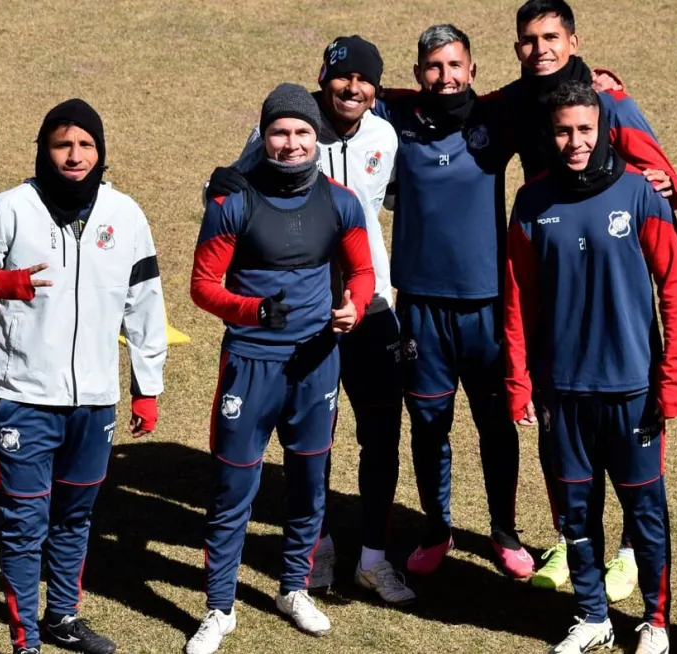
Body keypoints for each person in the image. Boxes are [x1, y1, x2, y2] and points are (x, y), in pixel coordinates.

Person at [0, 98, 167, 654]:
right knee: (24, 525)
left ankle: (63, 618)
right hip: (25, 399)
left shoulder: (126, 215)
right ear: (44, 148)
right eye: (63, 144)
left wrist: (147, 386)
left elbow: (145, 304)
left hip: (96, 400)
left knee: (75, 518)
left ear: (101, 151)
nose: (74, 155)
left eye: (86, 145)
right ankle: (26, 642)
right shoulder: (10, 208)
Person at [205, 35, 414, 605]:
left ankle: (374, 557)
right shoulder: (288, 131)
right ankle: (314, 553)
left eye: (365, 80)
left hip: (368, 311)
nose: (353, 88)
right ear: (324, 80)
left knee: (380, 434)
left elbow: (390, 203)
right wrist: (218, 182)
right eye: (343, 78)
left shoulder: (385, 136)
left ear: (376, 87)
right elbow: (226, 193)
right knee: (307, 442)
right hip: (300, 318)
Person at [499, 0, 677, 597]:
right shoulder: (519, 100)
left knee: (628, 465)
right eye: (528, 40)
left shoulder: (608, 98)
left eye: (551, 37)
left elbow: (670, 181)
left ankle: (631, 551)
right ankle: (568, 540)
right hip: (557, 250)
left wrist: (660, 187)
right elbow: (455, 107)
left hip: (611, 257)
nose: (540, 49)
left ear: (573, 41)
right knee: (565, 445)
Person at [186, 83, 375, 652]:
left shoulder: (341, 201)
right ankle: (219, 608)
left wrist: (355, 306)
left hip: (317, 363)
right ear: (263, 137)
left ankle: (294, 588)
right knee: (232, 487)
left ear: (315, 137)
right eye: (279, 132)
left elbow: (362, 272)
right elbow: (202, 287)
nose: (291, 144)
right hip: (250, 364)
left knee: (309, 482)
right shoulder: (233, 203)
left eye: (301, 132)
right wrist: (254, 312)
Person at [373, 24, 534, 579]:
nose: (446, 77)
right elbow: (346, 97)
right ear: (418, 73)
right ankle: (436, 527)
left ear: (472, 70)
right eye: (434, 67)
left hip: (487, 306)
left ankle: (504, 529)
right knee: (429, 423)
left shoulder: (495, 117)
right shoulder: (396, 118)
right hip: (420, 305)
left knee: (495, 423)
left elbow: (562, 94)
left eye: (455, 66)